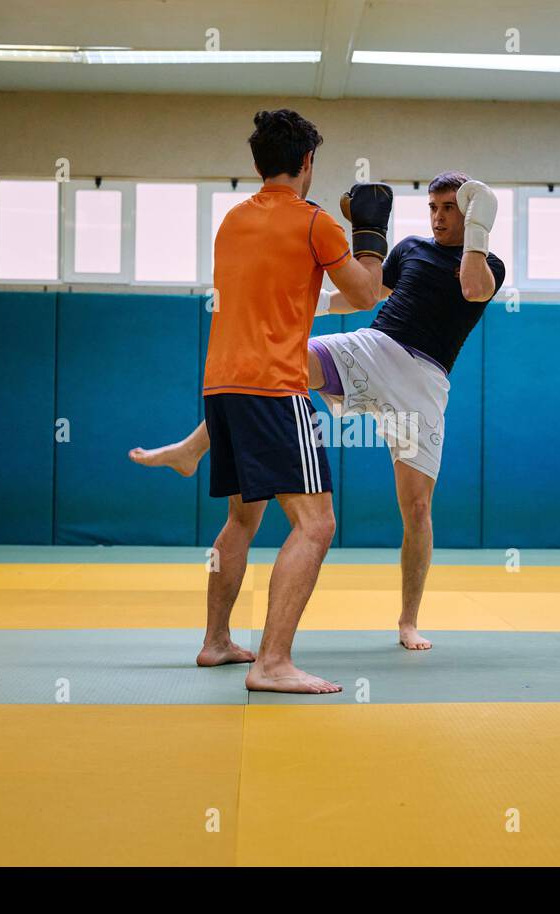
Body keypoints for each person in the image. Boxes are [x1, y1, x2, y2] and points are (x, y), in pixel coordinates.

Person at [132, 172, 501, 653]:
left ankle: (408, 621)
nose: (438, 217)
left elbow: (472, 289)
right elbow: (366, 294)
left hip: (424, 382)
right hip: (374, 346)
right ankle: (191, 448)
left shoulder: (488, 262)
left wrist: (480, 223)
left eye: (450, 207)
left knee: (416, 508)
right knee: (280, 362)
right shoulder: (410, 248)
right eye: (433, 207)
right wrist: (312, 305)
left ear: (469, 213)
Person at [186, 108, 390, 694]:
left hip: (220, 387)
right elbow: (366, 292)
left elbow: (286, 295)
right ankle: (273, 662)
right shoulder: (314, 222)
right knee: (316, 524)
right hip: (274, 389)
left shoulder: (231, 222)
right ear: (307, 163)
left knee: (241, 517)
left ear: (256, 163)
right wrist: (371, 234)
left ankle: (216, 641)